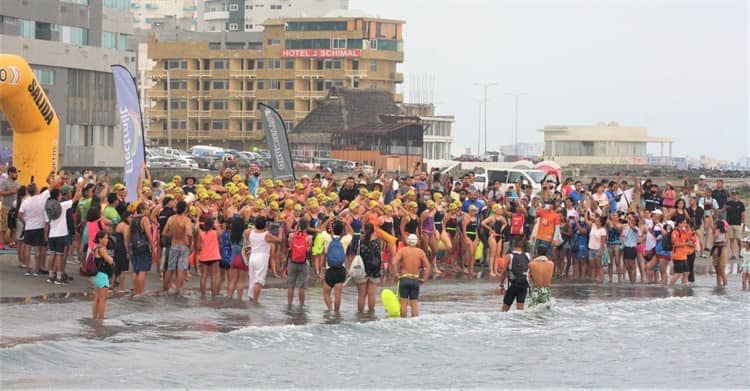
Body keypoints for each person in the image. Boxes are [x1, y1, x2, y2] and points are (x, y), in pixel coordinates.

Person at [391, 234, 431, 317]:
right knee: (414, 304)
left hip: (404, 279)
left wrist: (396, 275)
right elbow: (428, 266)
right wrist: (424, 279)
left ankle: (403, 323)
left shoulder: (402, 250)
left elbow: (394, 263)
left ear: (407, 241)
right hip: (415, 280)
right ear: (416, 242)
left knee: (403, 303)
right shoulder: (420, 252)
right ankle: (415, 324)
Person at [247, 215, 280, 303]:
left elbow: (246, 231)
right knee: (259, 281)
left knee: (252, 279)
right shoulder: (266, 235)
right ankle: (255, 301)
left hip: (252, 257)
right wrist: (280, 231)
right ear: (265, 225)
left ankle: (251, 298)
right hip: (261, 258)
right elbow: (278, 240)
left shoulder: (251, 232)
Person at [162, 200, 192, 294]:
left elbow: (164, 232)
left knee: (170, 269)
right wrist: (189, 243)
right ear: (185, 209)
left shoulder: (171, 218)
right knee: (181, 269)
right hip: (183, 245)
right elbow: (189, 234)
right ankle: (178, 290)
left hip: (173, 244)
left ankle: (165, 289)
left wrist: (173, 234)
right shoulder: (186, 220)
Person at [323, 220, 351, 312]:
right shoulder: (344, 240)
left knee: (326, 293)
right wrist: (346, 223)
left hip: (330, 269)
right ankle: (336, 313)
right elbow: (352, 232)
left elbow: (321, 229)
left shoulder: (328, 238)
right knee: (338, 294)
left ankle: (330, 309)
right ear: (342, 230)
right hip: (341, 269)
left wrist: (330, 220)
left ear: (332, 230)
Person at [354, 223, 381, 313]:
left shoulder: (360, 242)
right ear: (373, 231)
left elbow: (356, 254)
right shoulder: (377, 242)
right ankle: (371, 314)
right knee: (372, 295)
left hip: (362, 269)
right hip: (374, 269)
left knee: (361, 295)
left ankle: (360, 314)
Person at [129, 202, 153, 296]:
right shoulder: (144, 219)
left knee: (136, 270)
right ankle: (141, 291)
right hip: (143, 245)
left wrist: (128, 245)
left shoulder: (133, 219)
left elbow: (129, 233)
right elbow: (148, 234)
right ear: (142, 210)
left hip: (134, 245)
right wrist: (153, 247)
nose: (149, 210)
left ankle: (136, 290)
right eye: (147, 209)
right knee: (143, 270)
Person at [287, 218, 311, 306]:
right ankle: (301, 306)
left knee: (290, 286)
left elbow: (289, 247)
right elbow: (308, 250)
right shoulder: (309, 237)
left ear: (298, 225)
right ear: (307, 226)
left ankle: (289, 304)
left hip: (292, 262)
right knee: (301, 287)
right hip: (303, 263)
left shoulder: (291, 236)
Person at [195, 215, 221, 298]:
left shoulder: (201, 234)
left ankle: (203, 295)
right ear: (213, 225)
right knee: (214, 277)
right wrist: (217, 226)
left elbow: (198, 247)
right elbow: (220, 239)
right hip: (214, 256)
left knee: (203, 276)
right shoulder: (216, 233)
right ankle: (213, 295)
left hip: (204, 257)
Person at [502, 238, 530, 312]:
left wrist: (501, 284)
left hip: (512, 284)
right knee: (520, 309)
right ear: (522, 246)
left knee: (505, 309)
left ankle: (502, 323)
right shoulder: (527, 255)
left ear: (512, 246)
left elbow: (504, 271)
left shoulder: (509, 256)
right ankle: (518, 323)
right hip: (524, 284)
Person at [91, 231, 114, 319]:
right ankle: (101, 318)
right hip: (103, 275)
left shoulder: (96, 248)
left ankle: (94, 317)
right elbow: (109, 260)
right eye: (105, 238)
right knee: (102, 299)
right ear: (100, 239)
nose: (107, 240)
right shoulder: (102, 249)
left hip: (97, 275)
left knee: (96, 298)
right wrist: (111, 258)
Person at [0, 166, 20, 250]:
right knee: (3, 226)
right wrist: (11, 192)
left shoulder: (18, 182)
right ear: (10, 173)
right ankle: (1, 243)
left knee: (14, 226)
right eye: (15, 173)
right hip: (6, 207)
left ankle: (12, 242)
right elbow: (1, 192)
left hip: (15, 208)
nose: (16, 174)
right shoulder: (4, 182)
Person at [725, 190, 745, 271]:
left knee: (739, 240)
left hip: (738, 224)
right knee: (731, 240)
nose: (734, 196)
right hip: (729, 224)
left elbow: (743, 214)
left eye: (735, 194)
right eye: (733, 194)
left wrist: (744, 224)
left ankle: (740, 251)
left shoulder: (741, 204)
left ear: (738, 195)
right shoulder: (728, 203)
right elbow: (723, 210)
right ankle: (733, 254)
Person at [669, 216, 691, 288]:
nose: (685, 224)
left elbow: (689, 240)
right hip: (677, 256)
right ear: (679, 223)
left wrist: (688, 230)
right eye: (683, 223)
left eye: (685, 223)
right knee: (678, 273)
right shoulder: (675, 232)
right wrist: (686, 243)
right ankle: (670, 287)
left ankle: (683, 286)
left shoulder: (684, 232)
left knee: (687, 272)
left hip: (684, 256)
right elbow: (676, 244)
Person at [711, 220, 728, 287]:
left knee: (718, 270)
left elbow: (714, 239)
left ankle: (719, 284)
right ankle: (724, 285)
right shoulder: (725, 232)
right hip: (722, 249)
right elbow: (726, 242)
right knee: (722, 270)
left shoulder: (717, 231)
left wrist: (714, 238)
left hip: (716, 249)